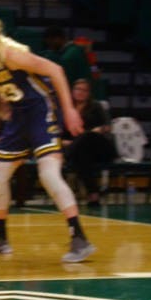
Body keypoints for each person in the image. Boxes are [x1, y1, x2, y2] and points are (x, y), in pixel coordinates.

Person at [0, 13, 95, 263]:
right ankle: (0, 237)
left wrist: (68, 110)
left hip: (40, 110)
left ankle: (79, 238)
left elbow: (56, 70)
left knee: (48, 174)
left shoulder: (12, 55)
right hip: (18, 116)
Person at [62, 78, 116, 207]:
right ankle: (94, 195)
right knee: (82, 155)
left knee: (87, 136)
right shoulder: (67, 110)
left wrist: (99, 129)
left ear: (89, 93)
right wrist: (71, 143)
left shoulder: (96, 106)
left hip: (100, 147)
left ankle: (68, 155)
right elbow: (59, 137)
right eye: (78, 89)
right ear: (72, 91)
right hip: (81, 151)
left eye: (84, 90)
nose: (80, 92)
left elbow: (108, 127)